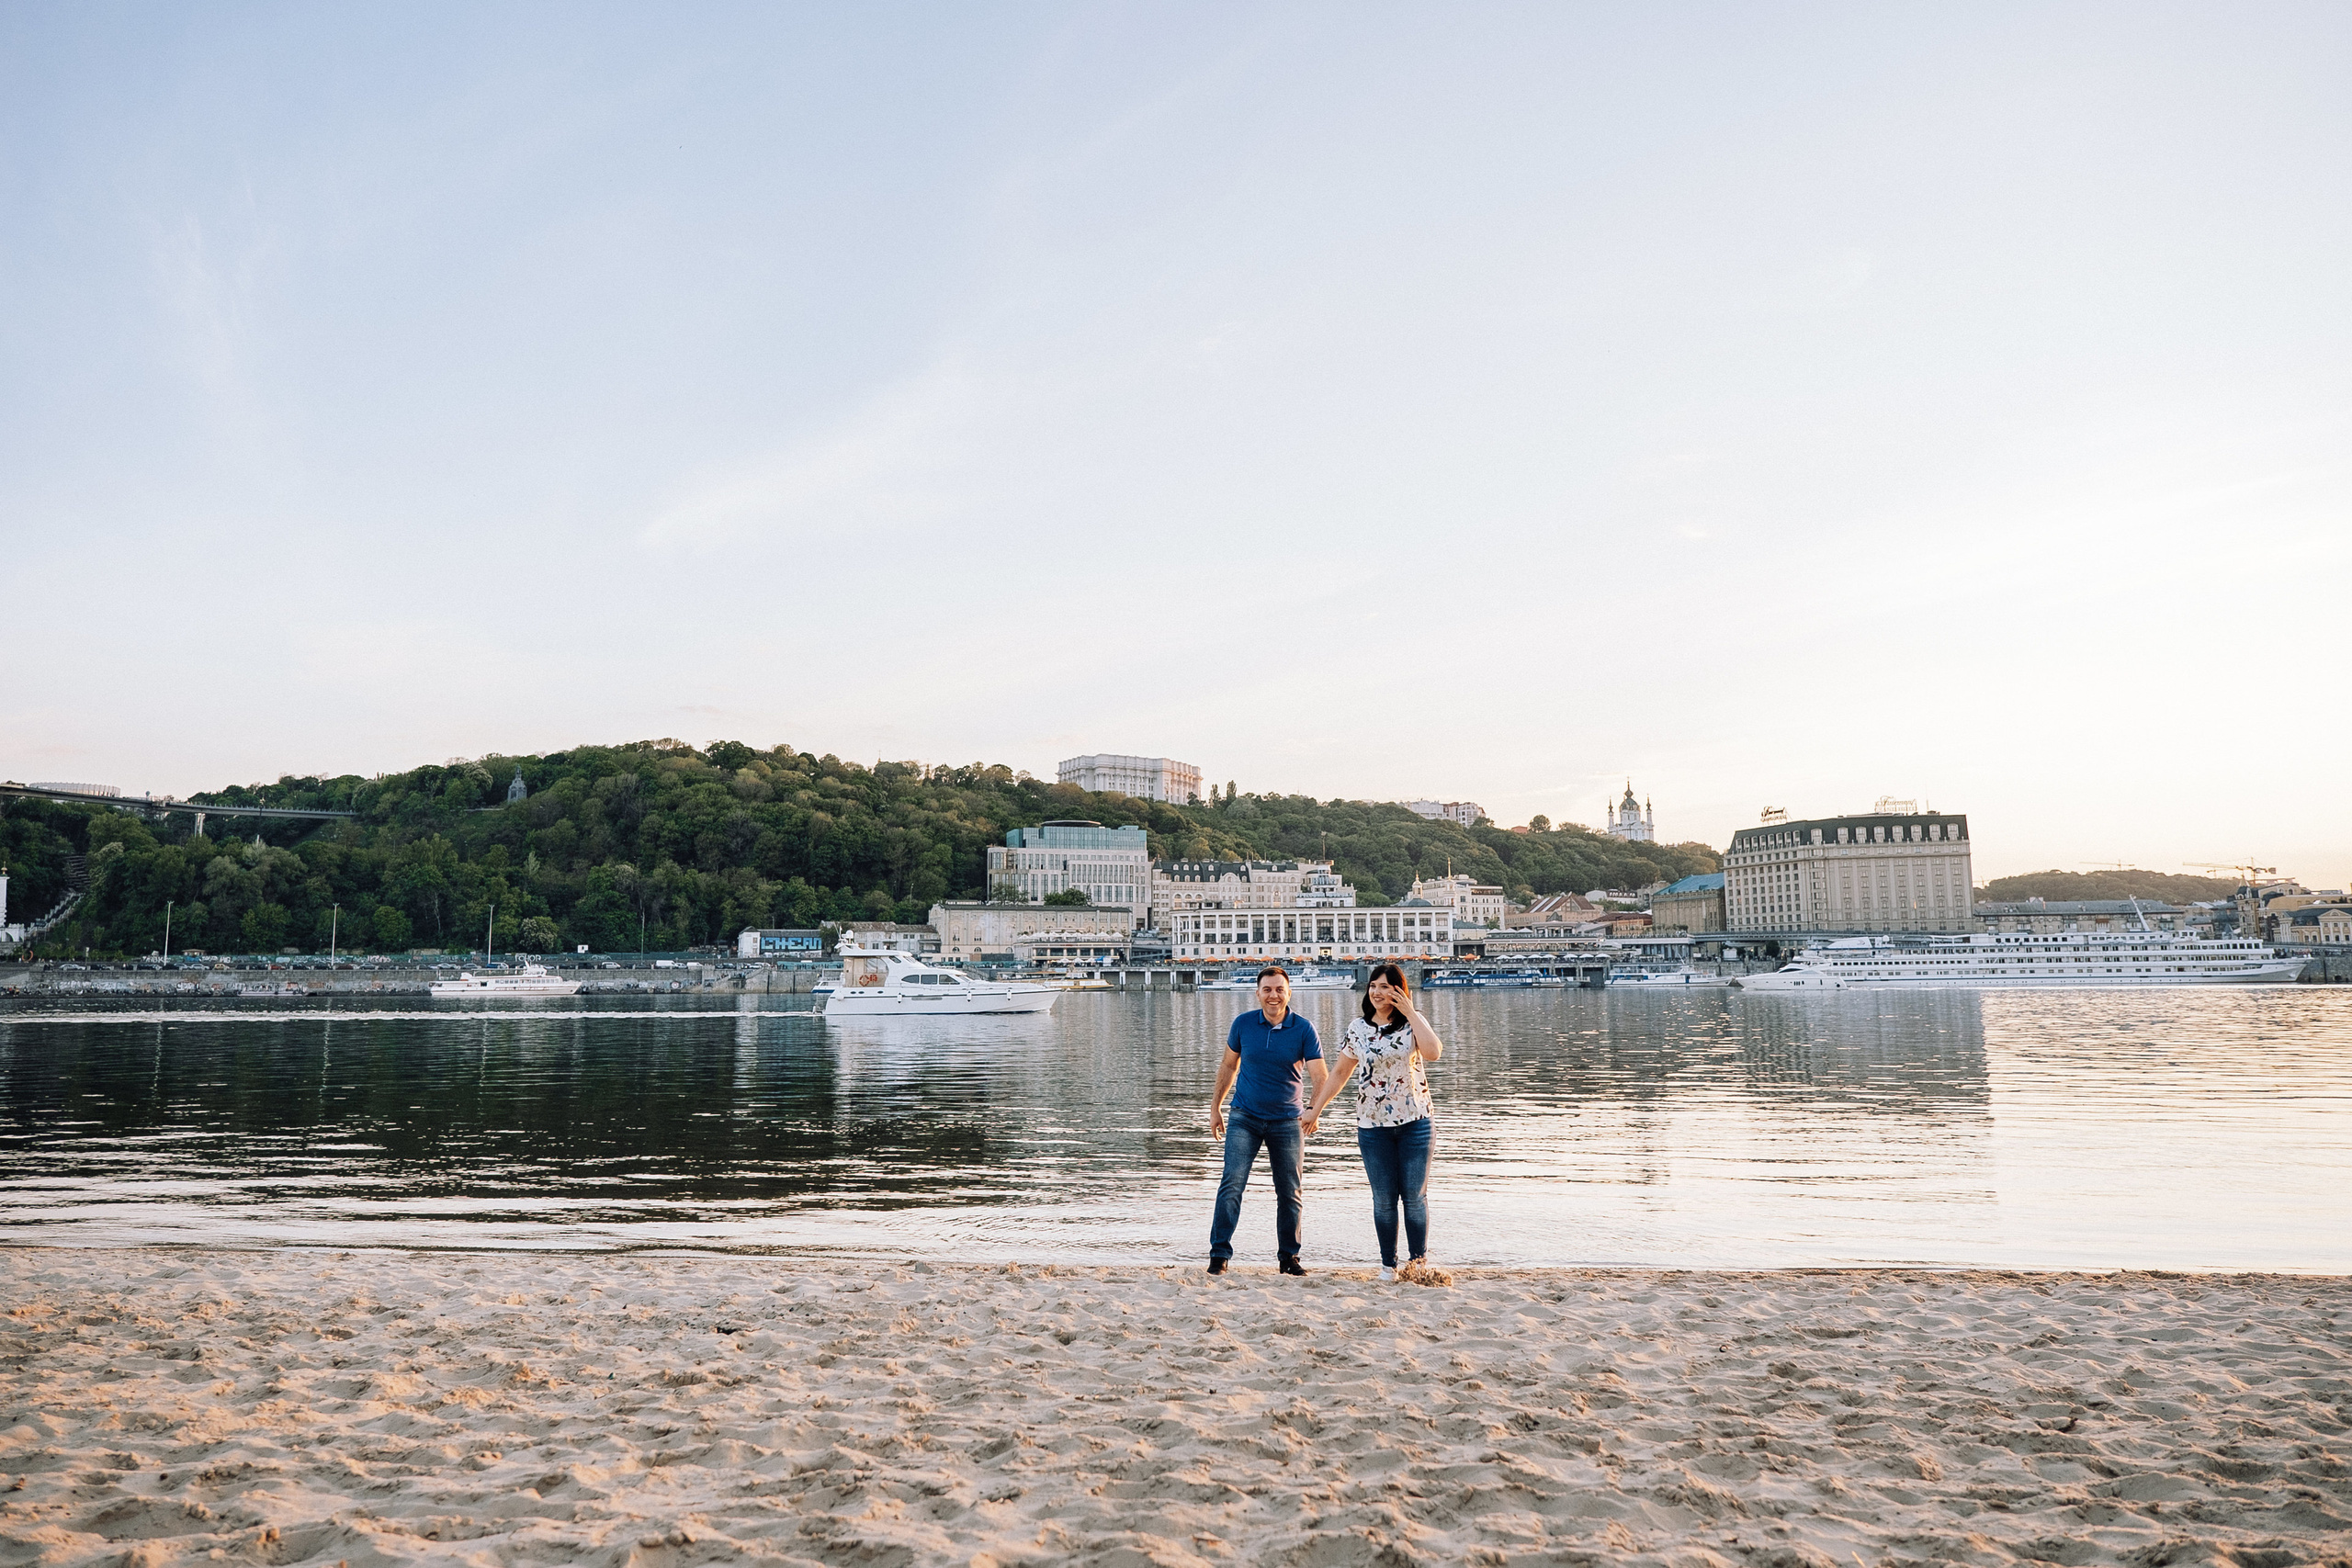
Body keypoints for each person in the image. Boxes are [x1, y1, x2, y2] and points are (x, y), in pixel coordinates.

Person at [1304, 962, 1442, 1282]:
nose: (1378, 992)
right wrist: (1316, 1109)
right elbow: (1339, 1073)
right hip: (1372, 1124)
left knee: (1414, 1196)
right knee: (1383, 1199)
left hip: (1415, 1121)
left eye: (1386, 987)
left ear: (1399, 990)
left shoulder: (1413, 1023)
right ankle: (1388, 1267)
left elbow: (1433, 1053)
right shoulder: (1358, 1028)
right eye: (1373, 986)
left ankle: (1418, 1264)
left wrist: (1410, 1012)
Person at [1206, 965, 1327, 1276]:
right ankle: (1219, 1256)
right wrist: (1215, 1107)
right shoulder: (1243, 1024)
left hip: (1288, 1120)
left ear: (1289, 993)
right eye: (1268, 990)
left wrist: (1314, 1109)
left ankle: (1289, 1258)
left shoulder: (1304, 1029)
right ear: (1257, 993)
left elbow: (1320, 1075)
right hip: (1244, 1116)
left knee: (1290, 1191)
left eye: (1279, 990)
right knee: (1231, 1185)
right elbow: (1228, 1067)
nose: (1274, 995)